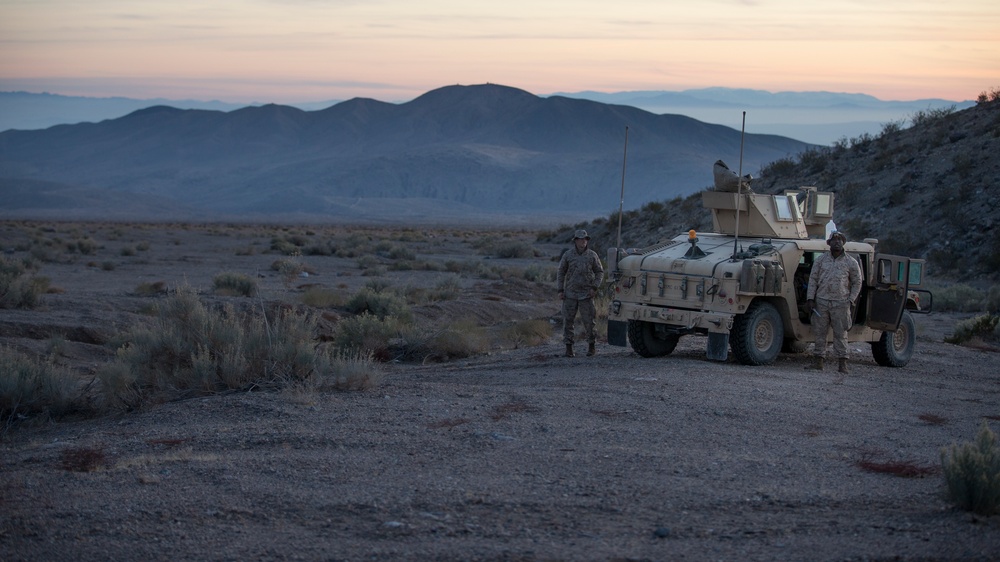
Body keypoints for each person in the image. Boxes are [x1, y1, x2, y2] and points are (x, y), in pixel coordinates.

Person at [805, 231, 862, 374]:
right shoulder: (821, 260)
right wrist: (810, 299)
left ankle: (843, 364)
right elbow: (813, 279)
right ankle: (818, 362)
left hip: (841, 303)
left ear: (843, 242)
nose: (837, 241)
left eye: (840, 239)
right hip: (821, 302)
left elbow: (857, 282)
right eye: (834, 239)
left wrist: (851, 299)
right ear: (829, 243)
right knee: (819, 333)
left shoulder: (851, 262)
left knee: (841, 334)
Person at [557, 229, 604, 357]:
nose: (583, 241)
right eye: (580, 239)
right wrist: (560, 290)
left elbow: (599, 272)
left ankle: (591, 346)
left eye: (585, 239)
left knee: (589, 322)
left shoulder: (592, 255)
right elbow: (561, 272)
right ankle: (569, 348)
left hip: (586, 294)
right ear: (575, 241)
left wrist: (594, 287)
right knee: (568, 322)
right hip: (570, 294)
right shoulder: (568, 255)